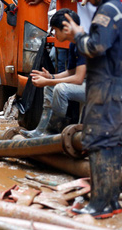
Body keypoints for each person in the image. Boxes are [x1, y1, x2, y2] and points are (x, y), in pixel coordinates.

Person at [62, 0, 122, 219]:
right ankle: (111, 201)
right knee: (112, 144)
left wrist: (76, 34)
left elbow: (96, 46)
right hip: (114, 85)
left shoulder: (107, 10)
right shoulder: (117, 4)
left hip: (106, 87)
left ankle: (100, 204)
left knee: (98, 143)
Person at [23, 9, 86, 137]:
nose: (54, 34)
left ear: (65, 29)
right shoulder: (74, 45)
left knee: (60, 89)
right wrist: (51, 77)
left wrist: (49, 80)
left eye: (56, 30)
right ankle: (41, 131)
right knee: (50, 87)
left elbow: (78, 78)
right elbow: (72, 71)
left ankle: (54, 132)